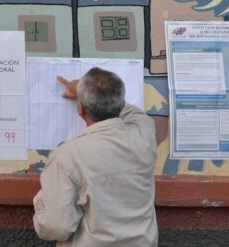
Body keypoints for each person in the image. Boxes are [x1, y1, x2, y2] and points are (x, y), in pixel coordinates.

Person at [32, 68, 158, 246]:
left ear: (80, 108)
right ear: (121, 104)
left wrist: (40, 202)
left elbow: (55, 228)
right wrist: (103, 96)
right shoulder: (143, 135)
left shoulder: (67, 155)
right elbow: (135, 113)